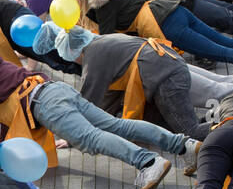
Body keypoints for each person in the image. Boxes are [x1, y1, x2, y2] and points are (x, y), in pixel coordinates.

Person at [0, 31, 196, 189]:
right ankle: (185, 146)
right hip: (54, 88)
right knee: (116, 125)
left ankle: (148, 162)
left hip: (42, 103)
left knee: (91, 140)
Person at [69, 0, 233, 65]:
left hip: (166, 25)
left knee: (220, 53)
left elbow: (108, 41)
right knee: (224, 42)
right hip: (173, 9)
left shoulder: (102, 3)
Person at [55, 23, 198, 137]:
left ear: (75, 52)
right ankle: (214, 122)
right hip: (165, 67)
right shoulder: (100, 42)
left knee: (189, 130)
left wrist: (72, 136)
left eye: (74, 59)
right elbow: (107, 101)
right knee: (167, 124)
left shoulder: (93, 58)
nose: (78, 63)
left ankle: (219, 126)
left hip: (165, 76)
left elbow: (87, 104)